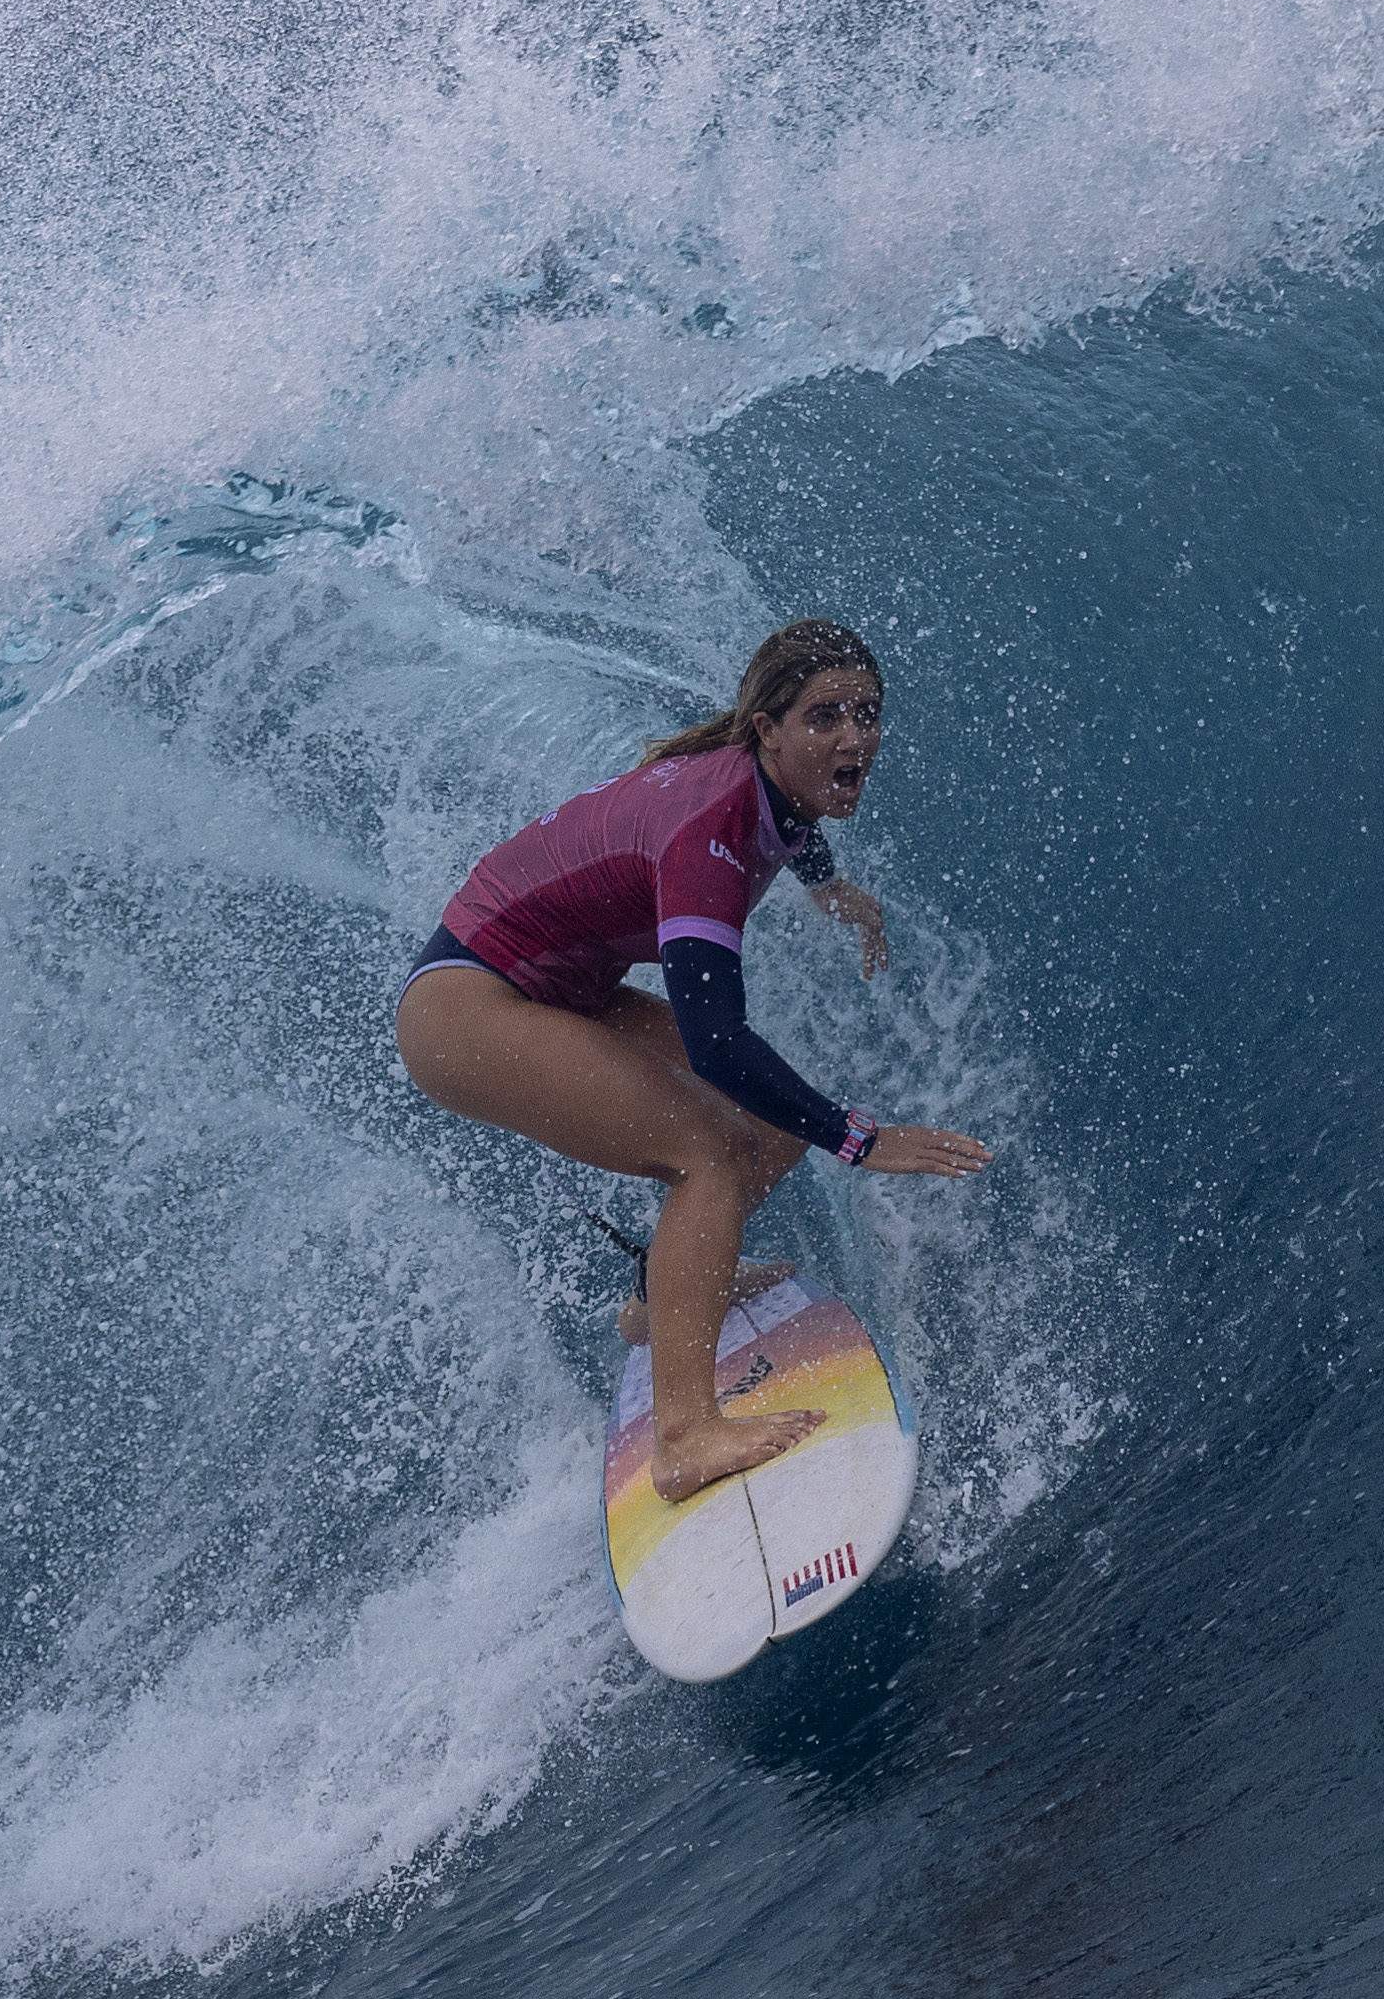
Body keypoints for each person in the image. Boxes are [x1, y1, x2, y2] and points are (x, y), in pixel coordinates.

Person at [395, 617, 995, 1502]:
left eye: (866, 715)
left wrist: (833, 891)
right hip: (468, 1004)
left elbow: (792, 826)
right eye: (825, 717)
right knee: (712, 1151)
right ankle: (686, 1436)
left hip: (557, 987)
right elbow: (714, 1040)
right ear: (769, 729)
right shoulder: (710, 830)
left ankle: (659, 1296)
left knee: (772, 1122)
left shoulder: (772, 791)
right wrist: (863, 1141)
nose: (853, 737)